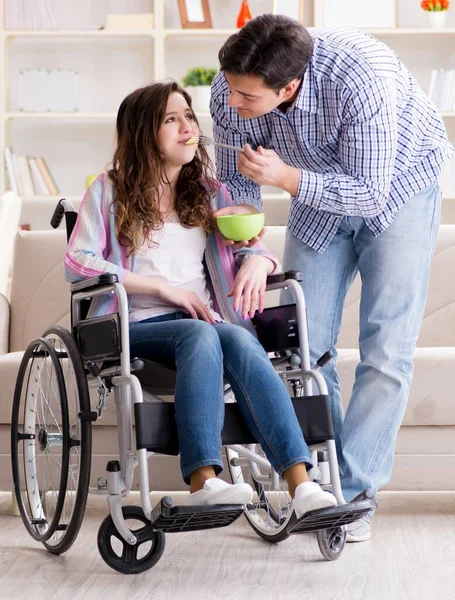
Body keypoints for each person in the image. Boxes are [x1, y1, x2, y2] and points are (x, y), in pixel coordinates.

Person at [210, 15, 455, 541]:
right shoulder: (232, 84)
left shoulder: (360, 79)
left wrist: (285, 177)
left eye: (248, 97)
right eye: (231, 90)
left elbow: (368, 193)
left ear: (289, 86)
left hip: (398, 186)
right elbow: (234, 181)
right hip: (314, 191)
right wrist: (253, 249)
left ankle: (357, 491)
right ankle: (326, 488)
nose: (233, 104)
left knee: (386, 344)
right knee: (304, 346)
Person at [64, 81, 337, 516]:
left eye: (189, 116)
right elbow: (77, 260)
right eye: (171, 119)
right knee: (202, 334)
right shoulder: (109, 190)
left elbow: (252, 245)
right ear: (142, 133)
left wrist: (256, 262)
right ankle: (203, 480)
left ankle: (301, 485)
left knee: (240, 341)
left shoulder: (210, 192)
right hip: (134, 328)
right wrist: (159, 288)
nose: (187, 126)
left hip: (203, 327)